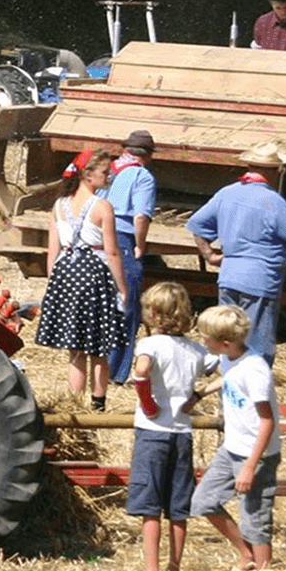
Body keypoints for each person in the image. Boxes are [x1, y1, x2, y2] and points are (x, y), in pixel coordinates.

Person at [185, 143, 286, 364]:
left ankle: (228, 389)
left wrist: (209, 256)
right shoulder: (273, 201)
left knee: (227, 339)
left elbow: (196, 225)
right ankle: (253, 392)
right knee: (257, 346)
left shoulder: (227, 193)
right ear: (275, 171)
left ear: (248, 165)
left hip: (229, 276)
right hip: (260, 280)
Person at [122, 282, 207, 571]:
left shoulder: (150, 345)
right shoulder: (196, 349)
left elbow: (141, 372)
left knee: (150, 505)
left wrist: (148, 403)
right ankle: (175, 568)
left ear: (155, 314)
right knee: (178, 505)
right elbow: (226, 369)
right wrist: (197, 396)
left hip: (153, 431)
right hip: (182, 433)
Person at [187, 304, 281, 571]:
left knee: (255, 517)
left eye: (206, 337)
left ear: (225, 343)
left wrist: (250, 466)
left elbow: (268, 421)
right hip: (232, 449)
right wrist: (200, 394)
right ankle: (246, 553)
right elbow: (229, 378)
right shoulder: (230, 359)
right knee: (203, 501)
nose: (203, 340)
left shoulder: (255, 370)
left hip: (257, 454)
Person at [35, 149, 130, 411]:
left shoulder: (58, 206)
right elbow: (112, 251)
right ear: (87, 175)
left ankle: (73, 403)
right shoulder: (102, 207)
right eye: (104, 172)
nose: (108, 177)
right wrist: (122, 288)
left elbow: (52, 251)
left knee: (74, 347)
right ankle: (97, 404)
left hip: (66, 272)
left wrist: (53, 282)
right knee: (99, 346)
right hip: (93, 274)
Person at [104, 131, 160, 387]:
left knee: (105, 305)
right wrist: (140, 246)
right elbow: (140, 216)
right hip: (125, 241)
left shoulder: (110, 169)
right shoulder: (142, 176)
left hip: (102, 239)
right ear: (147, 155)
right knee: (127, 307)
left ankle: (99, 366)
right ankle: (115, 371)